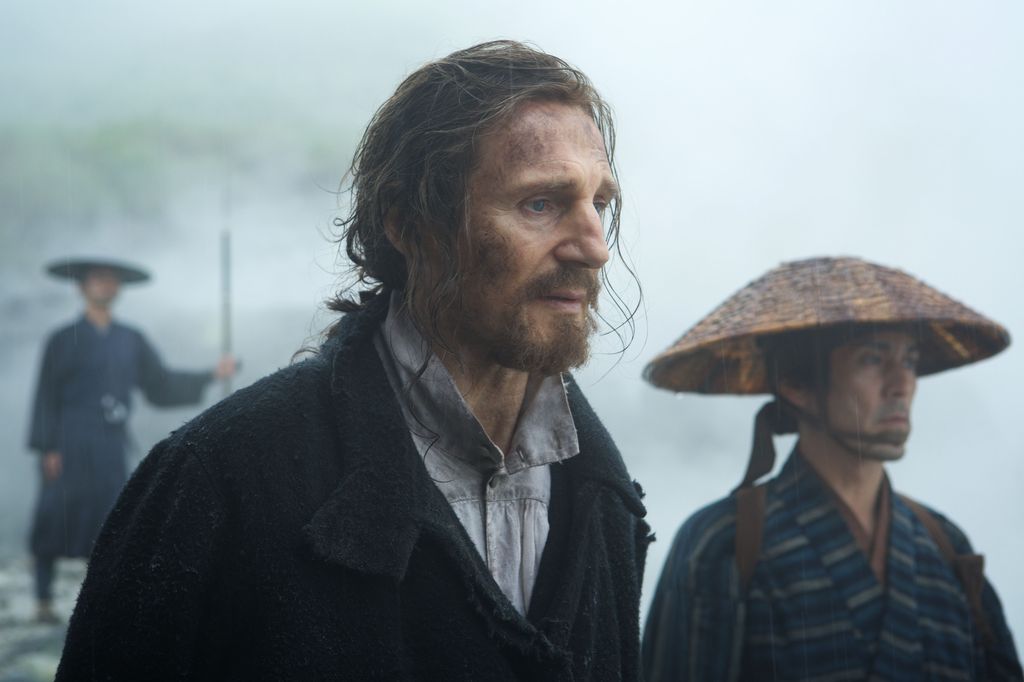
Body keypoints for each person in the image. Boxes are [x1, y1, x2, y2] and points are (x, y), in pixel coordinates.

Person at [56, 41, 650, 680]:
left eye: (599, 205)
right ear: (409, 223)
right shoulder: (218, 480)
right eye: (541, 204)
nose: (594, 247)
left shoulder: (603, 500)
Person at [641, 256, 1022, 681]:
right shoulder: (725, 542)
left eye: (910, 360)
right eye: (872, 360)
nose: (902, 385)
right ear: (797, 385)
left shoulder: (946, 545)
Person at [27, 258, 235, 624]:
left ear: (119, 289)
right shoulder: (62, 338)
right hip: (69, 440)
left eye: (112, 281)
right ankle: (43, 600)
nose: (106, 286)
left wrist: (210, 375)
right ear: (82, 287)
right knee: (53, 515)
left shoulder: (131, 339)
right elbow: (46, 395)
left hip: (110, 442)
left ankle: (98, 602)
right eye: (98, 280)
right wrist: (48, 447)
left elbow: (160, 385)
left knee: (111, 517)